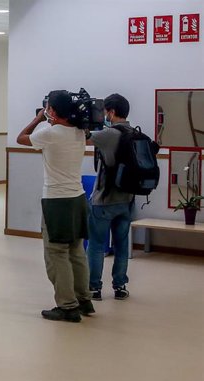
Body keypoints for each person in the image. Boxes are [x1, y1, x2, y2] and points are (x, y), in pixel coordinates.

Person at [16, 89, 94, 322]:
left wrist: (38, 118)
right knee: (77, 251)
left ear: (52, 110)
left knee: (56, 253)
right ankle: (83, 299)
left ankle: (67, 306)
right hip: (78, 198)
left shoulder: (50, 133)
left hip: (57, 200)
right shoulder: (80, 132)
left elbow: (21, 138)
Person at [85, 93, 134, 301]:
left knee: (96, 244)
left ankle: (94, 287)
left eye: (105, 112)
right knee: (122, 245)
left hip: (104, 199)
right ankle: (120, 286)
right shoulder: (135, 133)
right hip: (128, 200)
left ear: (111, 112)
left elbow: (83, 137)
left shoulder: (108, 135)